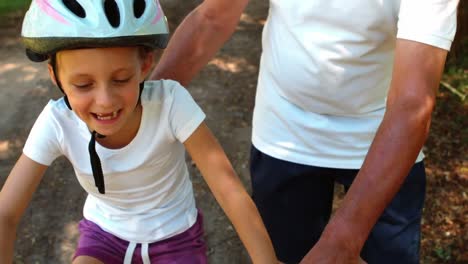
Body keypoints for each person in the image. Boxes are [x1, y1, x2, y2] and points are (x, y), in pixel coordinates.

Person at [150, 0, 460, 263]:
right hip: (285, 132)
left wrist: (342, 242)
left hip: (384, 139)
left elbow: (411, 104)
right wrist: (144, 112)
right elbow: (212, 17)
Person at [0, 1, 278, 263]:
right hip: (103, 236)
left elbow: (229, 190)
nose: (105, 100)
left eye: (121, 79)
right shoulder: (57, 122)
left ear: (145, 65)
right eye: (83, 85)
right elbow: (6, 212)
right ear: (55, 76)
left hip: (175, 238)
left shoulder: (171, 104)